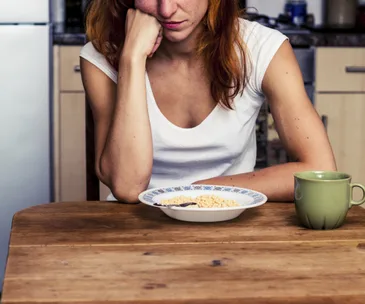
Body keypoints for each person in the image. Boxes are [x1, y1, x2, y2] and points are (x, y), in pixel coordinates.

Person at [80, 0, 336, 203]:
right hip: (131, 229)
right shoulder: (101, 57)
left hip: (228, 218)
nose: (166, 9)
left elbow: (319, 169)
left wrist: (196, 194)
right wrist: (132, 58)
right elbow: (127, 187)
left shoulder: (262, 48)